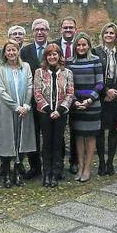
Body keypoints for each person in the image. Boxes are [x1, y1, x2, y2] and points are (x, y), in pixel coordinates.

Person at [0, 39, 36, 188]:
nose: (11, 53)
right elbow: (1, 90)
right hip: (7, 109)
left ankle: (16, 173)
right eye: (8, 50)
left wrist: (25, 104)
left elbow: (30, 85)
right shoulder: (1, 68)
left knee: (21, 140)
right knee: (8, 140)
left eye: (14, 50)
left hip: (24, 110)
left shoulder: (25, 67)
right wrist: (15, 107)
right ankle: (6, 173)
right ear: (5, 53)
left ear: (18, 51)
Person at [33, 43, 74, 188]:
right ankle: (47, 173)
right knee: (47, 143)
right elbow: (37, 93)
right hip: (45, 113)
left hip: (61, 113)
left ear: (59, 56)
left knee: (58, 142)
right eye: (49, 54)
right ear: (46, 57)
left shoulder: (67, 73)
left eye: (54, 54)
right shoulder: (39, 72)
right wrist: (50, 111)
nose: (52, 57)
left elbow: (70, 93)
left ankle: (56, 172)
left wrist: (60, 110)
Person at [92, 22, 117, 176]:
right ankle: (100, 162)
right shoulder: (96, 52)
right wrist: (105, 91)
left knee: (114, 130)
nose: (108, 35)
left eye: (111, 33)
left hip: (116, 96)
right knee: (99, 131)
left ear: (116, 35)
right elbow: (95, 74)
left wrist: (114, 91)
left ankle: (110, 162)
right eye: (106, 33)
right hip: (100, 95)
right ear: (102, 35)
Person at [67, 32, 104, 182]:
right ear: (75, 46)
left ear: (89, 45)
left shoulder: (96, 61)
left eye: (84, 45)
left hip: (92, 105)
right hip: (75, 105)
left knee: (90, 136)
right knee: (79, 136)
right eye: (78, 45)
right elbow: (68, 84)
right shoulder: (69, 62)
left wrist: (89, 100)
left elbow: (100, 83)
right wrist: (75, 100)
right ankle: (80, 166)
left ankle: (88, 168)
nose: (81, 47)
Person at [19, 18, 49, 179]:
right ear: (33, 32)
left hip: (50, 102)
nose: (39, 32)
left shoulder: (53, 49)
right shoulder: (25, 51)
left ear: (47, 32)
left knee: (51, 135)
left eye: (43, 29)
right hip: (31, 101)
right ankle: (35, 167)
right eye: (37, 29)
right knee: (33, 135)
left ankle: (51, 166)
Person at [52, 16, 79, 175]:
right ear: (61, 29)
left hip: (76, 95)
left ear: (75, 29)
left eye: (71, 27)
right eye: (65, 27)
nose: (68, 30)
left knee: (75, 129)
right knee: (59, 132)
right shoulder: (54, 45)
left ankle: (74, 161)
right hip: (57, 96)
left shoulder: (81, 44)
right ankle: (59, 161)